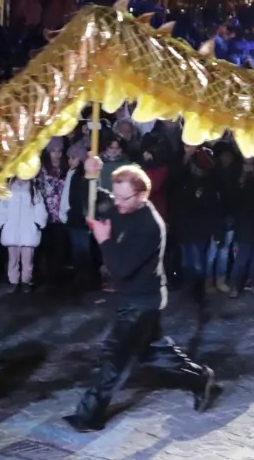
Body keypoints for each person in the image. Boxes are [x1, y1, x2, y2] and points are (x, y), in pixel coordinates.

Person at [64, 163, 218, 432]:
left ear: (142, 196)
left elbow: (121, 269)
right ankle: (200, 377)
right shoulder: (122, 204)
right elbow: (90, 204)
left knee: (115, 358)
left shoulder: (150, 226)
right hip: (136, 299)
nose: (117, 202)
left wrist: (104, 240)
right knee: (153, 350)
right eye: (116, 195)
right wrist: (89, 175)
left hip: (140, 302)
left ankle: (88, 416)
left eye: (124, 198)